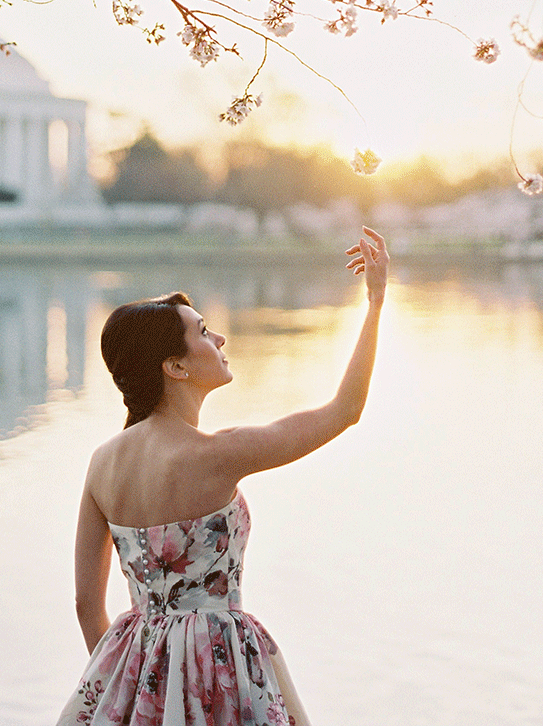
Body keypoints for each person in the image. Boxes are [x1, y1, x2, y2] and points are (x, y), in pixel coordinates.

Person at [54, 227, 389, 726]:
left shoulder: (103, 462)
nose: (220, 338)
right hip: (223, 669)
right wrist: (376, 304)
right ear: (175, 367)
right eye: (204, 331)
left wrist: (122, 680)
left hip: (134, 665)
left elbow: (86, 603)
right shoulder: (218, 455)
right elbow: (344, 411)